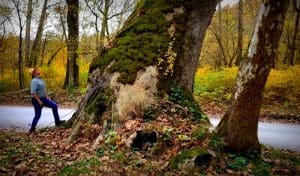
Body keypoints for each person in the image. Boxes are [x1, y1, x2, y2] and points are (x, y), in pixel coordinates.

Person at [29, 68, 65, 133]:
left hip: (44, 98)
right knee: (38, 115)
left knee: (54, 105)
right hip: (37, 100)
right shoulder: (34, 81)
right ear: (34, 74)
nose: (39, 71)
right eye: (37, 71)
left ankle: (57, 122)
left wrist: (47, 96)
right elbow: (33, 92)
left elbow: (44, 89)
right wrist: (39, 101)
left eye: (38, 70)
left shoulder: (41, 80)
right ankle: (32, 129)